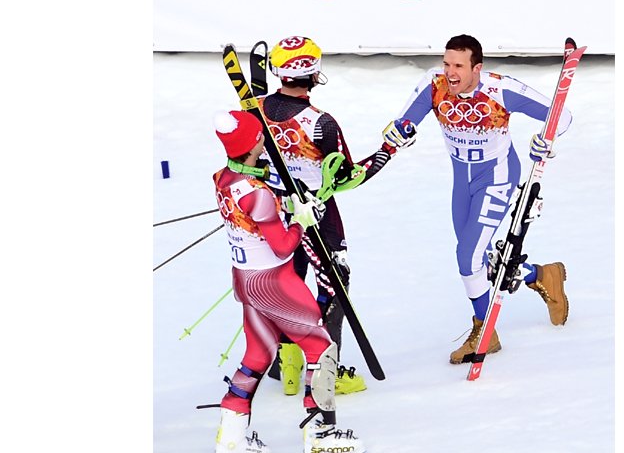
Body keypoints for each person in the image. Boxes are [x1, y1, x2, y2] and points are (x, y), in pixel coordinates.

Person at [382, 34, 572, 364]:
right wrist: (399, 131)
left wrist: (543, 140)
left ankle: (485, 331)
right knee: (477, 261)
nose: (450, 72)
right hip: (462, 181)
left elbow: (562, 116)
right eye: (446, 63)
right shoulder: (434, 84)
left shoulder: (500, 90)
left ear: (477, 68)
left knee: (467, 258)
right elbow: (404, 121)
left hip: (496, 178)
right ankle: (540, 276)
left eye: (458, 66)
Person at [212, 109, 366, 453]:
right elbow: (283, 245)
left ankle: (232, 436)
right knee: (321, 348)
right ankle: (319, 436)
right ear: (255, 143)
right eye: (260, 136)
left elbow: (254, 208)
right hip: (274, 282)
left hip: (245, 280)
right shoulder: (258, 193)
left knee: (257, 354)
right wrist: (301, 220)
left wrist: (288, 207)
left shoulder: (222, 178)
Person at [258, 36, 404, 396]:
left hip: (270, 211)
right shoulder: (321, 123)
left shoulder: (255, 109)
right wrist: (390, 149)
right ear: (314, 74)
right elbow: (347, 176)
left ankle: (285, 362)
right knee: (334, 283)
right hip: (316, 212)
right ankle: (325, 368)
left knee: (286, 281)